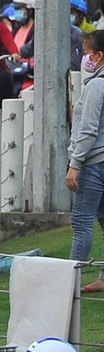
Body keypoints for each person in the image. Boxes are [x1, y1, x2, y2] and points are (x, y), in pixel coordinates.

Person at [68, 29, 104, 292]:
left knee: (81, 224)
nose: (84, 58)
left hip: (92, 163)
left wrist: (74, 164)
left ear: (99, 56)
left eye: (87, 53)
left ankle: (69, 282)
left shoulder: (95, 86)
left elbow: (88, 130)